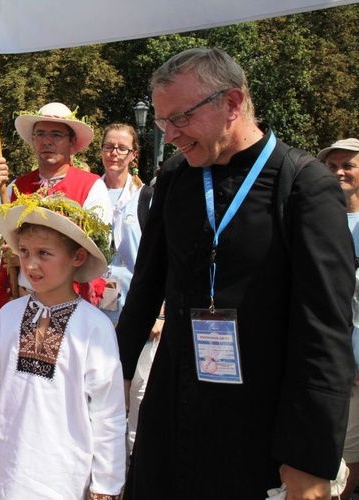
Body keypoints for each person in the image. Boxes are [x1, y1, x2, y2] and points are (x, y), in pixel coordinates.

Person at [116, 47, 355, 499]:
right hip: (174, 406)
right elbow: (146, 287)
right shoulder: (175, 176)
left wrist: (307, 457)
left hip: (259, 419)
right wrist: (111, 381)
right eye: (163, 122)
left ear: (231, 104)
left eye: (180, 118)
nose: (169, 135)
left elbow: (324, 330)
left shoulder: (305, 185)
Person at [0, 191, 125, 499]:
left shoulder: (94, 329)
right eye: (25, 251)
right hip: (7, 467)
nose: (31, 264)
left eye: (44, 253)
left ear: (77, 257)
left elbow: (107, 412)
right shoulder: (8, 316)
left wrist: (106, 483)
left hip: (63, 476)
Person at [0, 102, 111, 310]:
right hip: (20, 303)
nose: (47, 141)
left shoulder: (92, 186)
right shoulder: (15, 187)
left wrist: (25, 255)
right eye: (40, 134)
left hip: (69, 304)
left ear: (72, 142)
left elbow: (99, 250)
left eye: (56, 134)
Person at [99, 123, 161, 455]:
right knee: (97, 386)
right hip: (96, 305)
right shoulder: (90, 192)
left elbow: (162, 257)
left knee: (133, 390)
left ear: (134, 154)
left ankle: (129, 464)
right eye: (109, 146)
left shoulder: (146, 198)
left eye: (122, 148)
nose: (114, 153)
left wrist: (159, 312)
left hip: (137, 308)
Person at [319, 138, 359, 500]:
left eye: (348, 165)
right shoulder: (314, 215)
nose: (339, 172)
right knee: (343, 455)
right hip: (335, 363)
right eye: (332, 167)